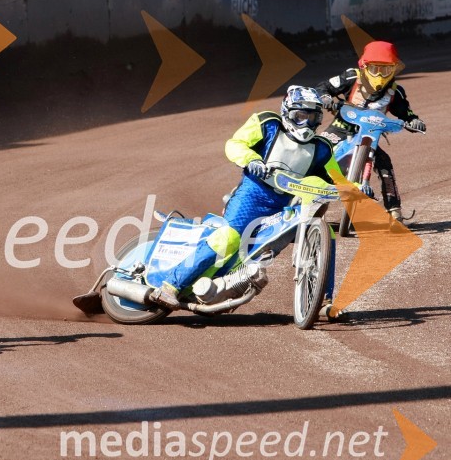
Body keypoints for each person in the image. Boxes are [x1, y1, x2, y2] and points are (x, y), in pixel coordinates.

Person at [149, 86, 364, 310]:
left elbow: (335, 178)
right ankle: (170, 286)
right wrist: (252, 160)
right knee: (230, 239)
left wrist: (356, 189)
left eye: (313, 118)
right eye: (301, 116)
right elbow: (235, 144)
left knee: (326, 233)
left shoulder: (322, 148)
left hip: (284, 206)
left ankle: (323, 302)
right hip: (250, 197)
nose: (306, 123)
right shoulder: (267, 123)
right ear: (287, 112)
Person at [315, 40, 426, 223]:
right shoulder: (351, 77)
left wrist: (414, 121)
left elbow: (406, 112)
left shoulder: (395, 92)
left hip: (369, 135)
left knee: (385, 164)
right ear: (364, 66)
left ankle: (394, 211)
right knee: (318, 153)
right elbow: (323, 87)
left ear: (395, 69)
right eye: (375, 69)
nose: (380, 75)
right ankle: (302, 201)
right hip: (341, 128)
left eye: (386, 70)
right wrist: (326, 98)